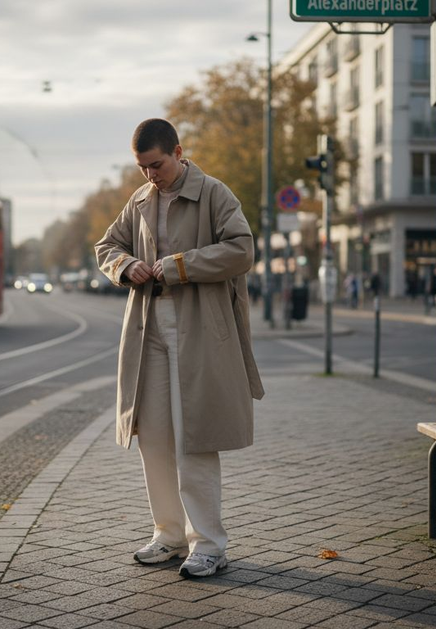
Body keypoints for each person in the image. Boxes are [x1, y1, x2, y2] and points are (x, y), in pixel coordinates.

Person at [94, 118, 264, 579]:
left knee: (196, 437)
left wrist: (180, 266)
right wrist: (126, 265)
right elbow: (106, 245)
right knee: (153, 436)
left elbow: (242, 250)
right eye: (142, 168)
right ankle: (168, 535)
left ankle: (209, 544)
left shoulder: (213, 192)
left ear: (178, 151)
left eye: (157, 165)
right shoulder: (141, 198)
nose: (151, 175)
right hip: (147, 328)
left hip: (201, 330)